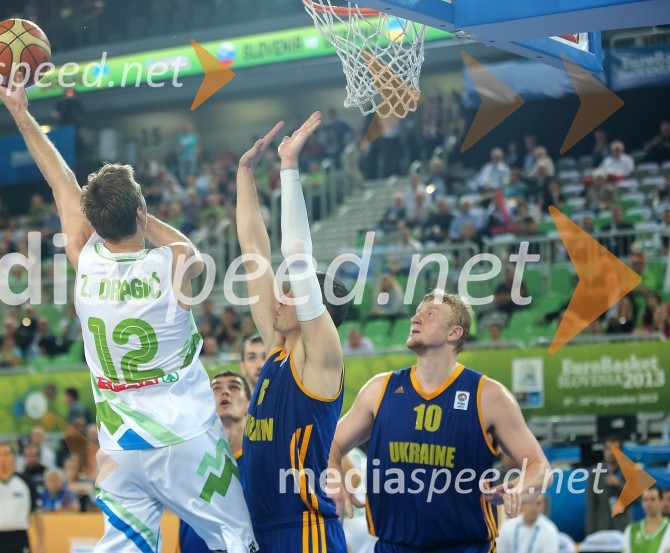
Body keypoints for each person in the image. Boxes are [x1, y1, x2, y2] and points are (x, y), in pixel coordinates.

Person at [0, 72, 256, 553]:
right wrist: (137, 211)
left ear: (95, 223)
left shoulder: (84, 258)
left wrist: (21, 112)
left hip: (119, 444)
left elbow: (60, 179)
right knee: (237, 541)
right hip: (186, 442)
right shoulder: (171, 264)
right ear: (141, 212)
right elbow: (187, 247)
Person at [329, 291, 552, 553]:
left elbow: (541, 468)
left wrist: (520, 487)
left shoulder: (489, 396)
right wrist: (334, 481)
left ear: (454, 333)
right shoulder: (380, 389)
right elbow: (330, 443)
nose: (416, 318)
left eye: (429, 314)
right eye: (417, 312)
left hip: (466, 547)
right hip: (394, 547)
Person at [236, 112, 351, 552]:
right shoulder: (278, 349)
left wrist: (288, 167)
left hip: (306, 532)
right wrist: (245, 173)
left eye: (291, 295)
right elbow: (253, 250)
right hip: (259, 532)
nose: (278, 298)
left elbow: (297, 256)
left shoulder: (320, 358)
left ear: (313, 308)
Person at [179, 371, 252, 552]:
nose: (224, 392)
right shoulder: (188, 460)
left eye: (234, 387)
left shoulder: (261, 462)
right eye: (216, 389)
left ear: (249, 405)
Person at [0, 443, 44, 553]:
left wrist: (41, 544)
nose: (2, 459)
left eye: (6, 454)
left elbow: (37, 515)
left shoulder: (27, 483)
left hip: (19, 538)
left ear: (13, 457)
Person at [586, 436, 633, 533]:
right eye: (608, 448)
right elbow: (591, 506)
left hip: (623, 528)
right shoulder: (595, 473)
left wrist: (619, 484)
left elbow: (638, 500)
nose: (611, 452)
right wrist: (589, 534)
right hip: (602, 528)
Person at [622, 488, 670, 553]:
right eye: (645, 500)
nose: (648, 504)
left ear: (661, 502)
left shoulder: (668, 527)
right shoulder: (631, 529)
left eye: (653, 499)